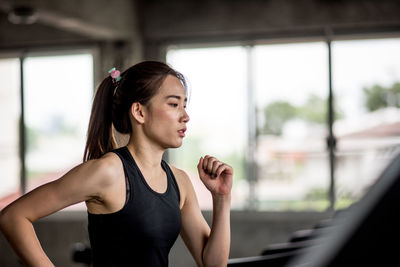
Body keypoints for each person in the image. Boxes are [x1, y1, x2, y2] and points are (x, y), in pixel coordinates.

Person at [0, 61, 233, 267]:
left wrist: (222, 198)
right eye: (174, 104)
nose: (185, 116)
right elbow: (14, 216)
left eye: (185, 104)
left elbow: (212, 263)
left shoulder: (180, 181)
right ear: (139, 112)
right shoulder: (108, 171)